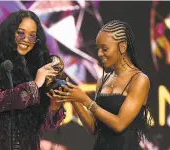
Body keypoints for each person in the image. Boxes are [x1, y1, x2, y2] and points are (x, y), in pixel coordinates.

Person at [0, 10, 65, 150]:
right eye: (21, 33)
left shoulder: (34, 71)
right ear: (9, 33)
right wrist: (34, 85)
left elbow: (42, 124)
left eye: (32, 35)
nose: (26, 39)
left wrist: (54, 105)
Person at [54, 20, 151, 150]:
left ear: (122, 47)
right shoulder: (103, 80)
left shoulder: (139, 80)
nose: (99, 53)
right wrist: (74, 99)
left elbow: (119, 124)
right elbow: (94, 128)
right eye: (98, 48)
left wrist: (85, 100)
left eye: (104, 49)